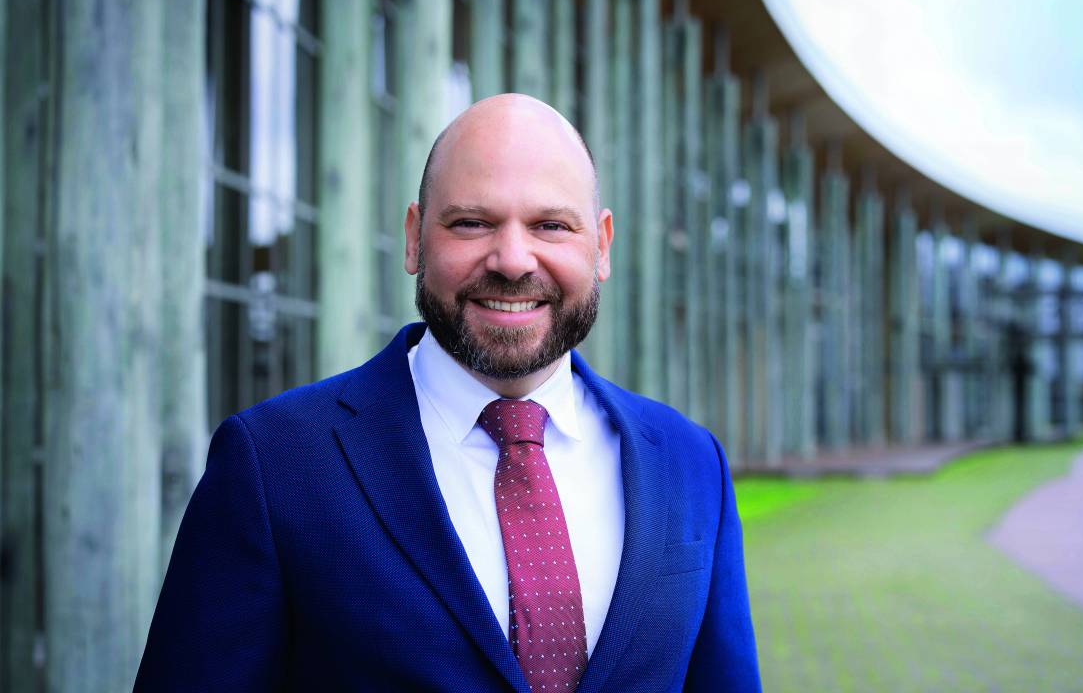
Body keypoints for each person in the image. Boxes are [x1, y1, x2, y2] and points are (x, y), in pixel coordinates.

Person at [135, 94, 761, 692]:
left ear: (601, 245)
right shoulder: (274, 464)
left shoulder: (688, 462)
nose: (513, 260)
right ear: (414, 238)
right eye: (471, 222)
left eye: (551, 224)